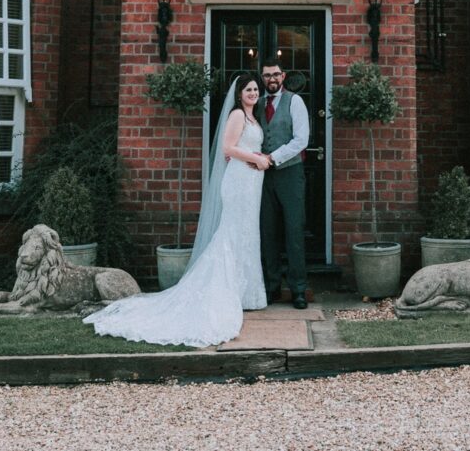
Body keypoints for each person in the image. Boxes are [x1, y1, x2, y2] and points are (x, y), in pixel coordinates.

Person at [82, 72, 270, 347]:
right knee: (232, 234)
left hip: (251, 183)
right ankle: (227, 294)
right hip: (238, 182)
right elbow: (227, 148)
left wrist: (260, 158)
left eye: (255, 89)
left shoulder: (254, 117)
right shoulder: (238, 116)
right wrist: (256, 158)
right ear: (239, 93)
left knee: (247, 235)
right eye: (248, 90)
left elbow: (242, 147)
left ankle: (248, 294)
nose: (253, 93)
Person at [258, 56, 311, 309]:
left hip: (290, 174)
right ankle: (272, 287)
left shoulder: (295, 101)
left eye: (275, 75)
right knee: (267, 232)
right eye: (267, 75)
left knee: (293, 232)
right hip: (261, 177)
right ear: (262, 78)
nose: (272, 79)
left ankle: (298, 289)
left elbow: (301, 140)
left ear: (283, 76)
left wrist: (272, 158)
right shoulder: (256, 103)